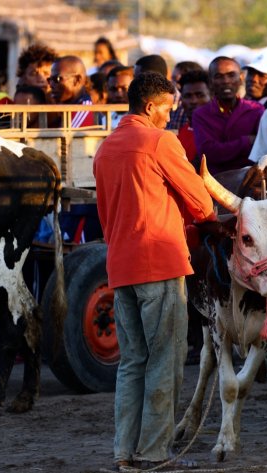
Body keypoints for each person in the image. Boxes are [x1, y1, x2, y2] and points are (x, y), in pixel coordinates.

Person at [95, 71, 215, 471]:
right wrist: (208, 218)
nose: (171, 115)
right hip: (158, 263)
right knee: (165, 359)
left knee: (132, 362)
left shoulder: (106, 147)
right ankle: (154, 452)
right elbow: (201, 202)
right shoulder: (160, 141)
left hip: (120, 266)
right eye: (168, 108)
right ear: (150, 107)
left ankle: (124, 452)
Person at [192, 56, 264, 174]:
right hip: (214, 184)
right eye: (219, 76)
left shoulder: (256, 110)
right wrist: (246, 141)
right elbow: (209, 153)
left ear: (241, 78)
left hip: (248, 182)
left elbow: (261, 150)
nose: (225, 81)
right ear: (210, 82)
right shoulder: (201, 115)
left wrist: (223, 148)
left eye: (231, 75)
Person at [174, 70, 210, 162]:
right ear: (181, 100)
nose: (193, 101)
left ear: (211, 96)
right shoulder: (181, 134)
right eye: (188, 96)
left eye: (200, 95)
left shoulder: (221, 131)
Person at [49, 56, 93, 127]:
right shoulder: (69, 108)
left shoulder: (84, 110)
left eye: (57, 79)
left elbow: (65, 138)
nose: (51, 84)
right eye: (49, 80)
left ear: (77, 80)